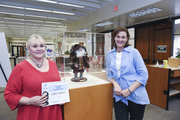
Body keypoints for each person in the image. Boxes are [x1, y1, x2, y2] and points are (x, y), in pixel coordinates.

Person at [4, 34, 64, 120]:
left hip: (53, 112)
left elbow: (57, 86)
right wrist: (30, 101)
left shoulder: (53, 64)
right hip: (32, 113)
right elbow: (9, 95)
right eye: (34, 46)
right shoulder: (20, 68)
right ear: (28, 49)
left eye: (41, 46)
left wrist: (61, 97)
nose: (39, 49)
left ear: (45, 48)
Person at [106, 27, 149, 120]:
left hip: (136, 93)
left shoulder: (134, 52)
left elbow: (144, 75)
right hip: (119, 95)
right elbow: (109, 74)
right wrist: (115, 83)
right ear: (114, 38)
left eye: (123, 37)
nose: (120, 39)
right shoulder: (109, 54)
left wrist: (129, 90)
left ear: (127, 39)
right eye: (118, 37)